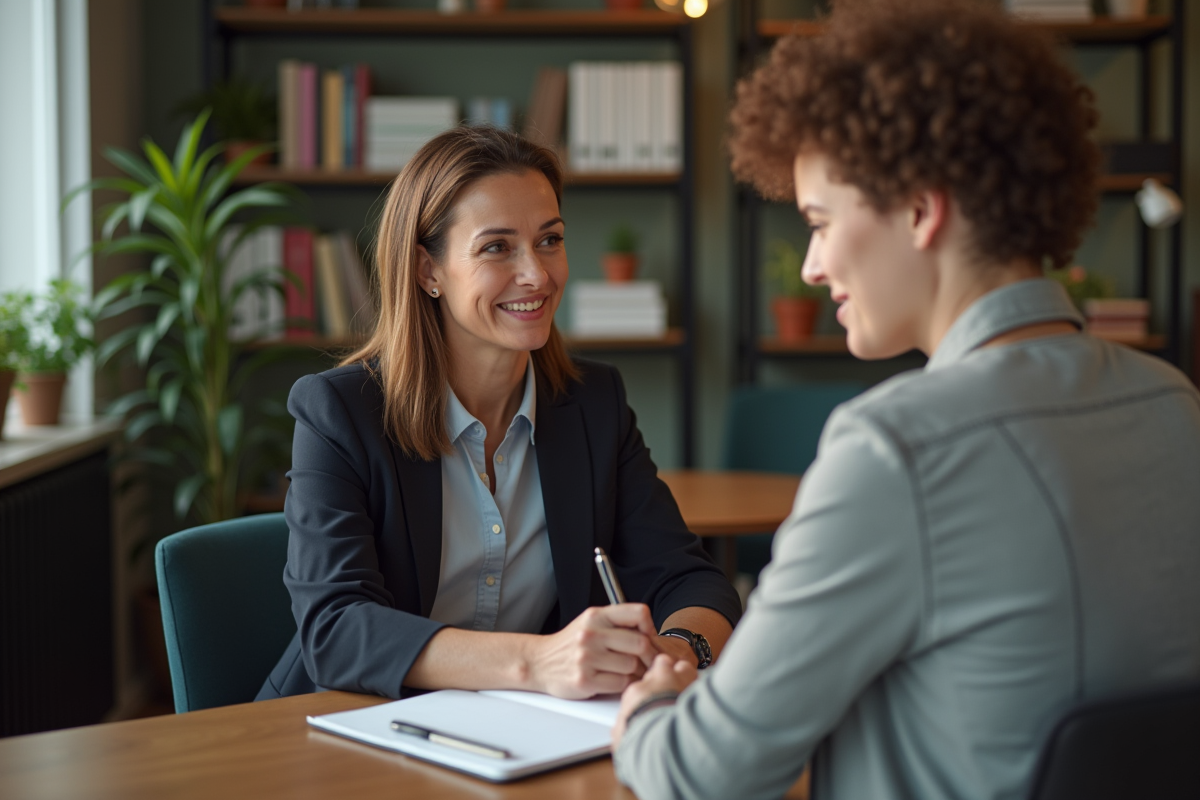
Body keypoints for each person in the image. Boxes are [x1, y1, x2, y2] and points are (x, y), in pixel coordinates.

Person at [611, 1, 1200, 798]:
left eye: (820, 221)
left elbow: (702, 774)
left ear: (921, 210)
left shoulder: (896, 450)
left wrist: (651, 712)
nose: (813, 265)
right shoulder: (1172, 403)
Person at [257, 127, 740, 702]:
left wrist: (678, 652)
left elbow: (689, 577)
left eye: (550, 240)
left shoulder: (594, 404)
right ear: (426, 270)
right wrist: (538, 661)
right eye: (496, 247)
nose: (536, 274)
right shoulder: (340, 412)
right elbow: (335, 630)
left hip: (523, 737)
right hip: (351, 728)